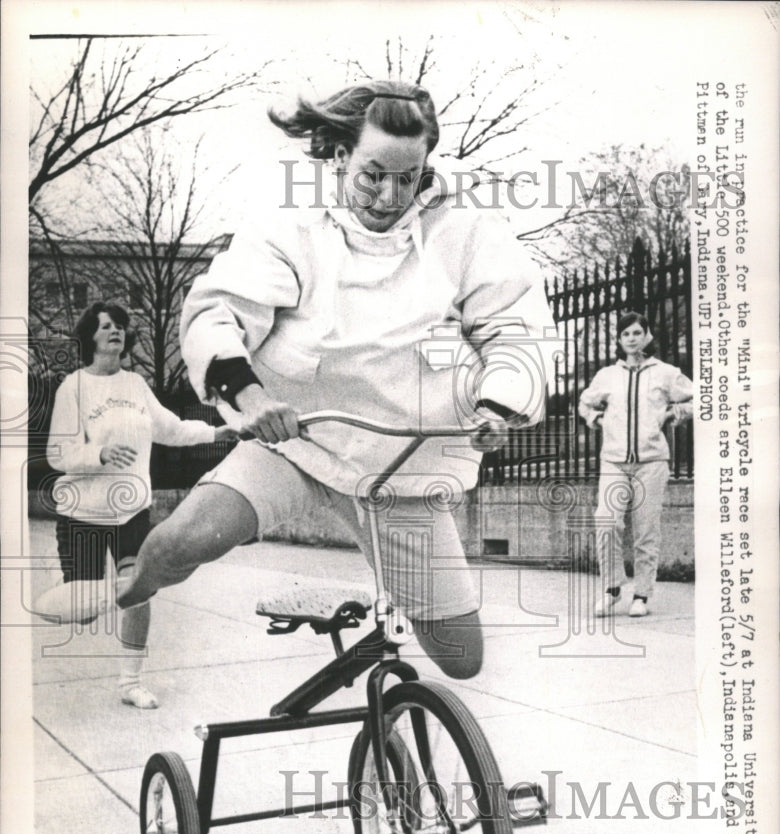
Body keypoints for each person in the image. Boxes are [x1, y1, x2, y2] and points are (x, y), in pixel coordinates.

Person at [116, 80, 562, 679]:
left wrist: (497, 407)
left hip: (404, 467)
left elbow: (514, 324)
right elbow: (218, 313)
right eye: (373, 174)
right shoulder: (292, 224)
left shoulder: (467, 230)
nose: (389, 195)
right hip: (298, 442)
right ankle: (123, 590)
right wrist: (251, 397)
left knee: (462, 661)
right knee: (179, 544)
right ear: (340, 155)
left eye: (408, 178)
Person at [43, 302, 236, 708]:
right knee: (83, 612)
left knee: (140, 594)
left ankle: (130, 683)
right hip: (83, 515)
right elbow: (57, 454)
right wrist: (98, 454)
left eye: (119, 326)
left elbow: (171, 428)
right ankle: (97, 592)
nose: (115, 331)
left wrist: (219, 432)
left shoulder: (134, 384)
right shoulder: (72, 387)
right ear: (89, 336)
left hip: (132, 511)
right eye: (105, 326)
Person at [578, 311, 693, 618]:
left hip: (652, 462)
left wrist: (674, 414)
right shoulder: (607, 376)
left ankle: (641, 595)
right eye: (626, 333)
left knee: (645, 530)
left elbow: (698, 398)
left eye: (637, 332)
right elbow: (585, 403)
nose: (631, 338)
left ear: (647, 336)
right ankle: (612, 589)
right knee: (606, 521)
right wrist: (597, 419)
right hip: (614, 462)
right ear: (619, 339)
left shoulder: (666, 373)